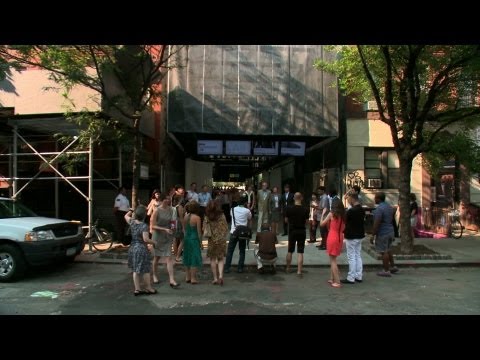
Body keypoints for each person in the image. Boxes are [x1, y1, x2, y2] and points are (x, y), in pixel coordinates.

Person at [150, 192, 180, 288]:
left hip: (167, 236)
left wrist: (172, 228)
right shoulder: (157, 210)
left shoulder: (172, 209)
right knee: (157, 257)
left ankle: (172, 279)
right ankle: (154, 275)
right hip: (158, 236)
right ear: (162, 200)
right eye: (166, 199)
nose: (168, 200)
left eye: (169, 198)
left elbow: (173, 222)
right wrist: (164, 229)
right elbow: (153, 225)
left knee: (169, 257)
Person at [125, 206, 157, 296]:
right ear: (144, 216)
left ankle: (137, 289)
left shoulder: (132, 222)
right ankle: (148, 288)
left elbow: (126, 216)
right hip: (141, 248)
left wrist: (131, 210)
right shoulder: (144, 226)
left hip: (133, 248)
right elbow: (146, 239)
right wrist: (154, 242)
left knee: (136, 269)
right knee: (146, 269)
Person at [370, 192, 399, 277]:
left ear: (379, 199)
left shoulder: (379, 209)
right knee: (389, 249)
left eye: (375, 198)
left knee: (384, 251)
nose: (374, 199)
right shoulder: (389, 207)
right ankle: (393, 266)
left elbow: (377, 222)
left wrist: (373, 234)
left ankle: (386, 270)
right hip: (390, 230)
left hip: (383, 232)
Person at [320, 199, 346, 288]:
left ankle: (337, 281)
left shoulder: (331, 214)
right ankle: (332, 278)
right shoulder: (343, 215)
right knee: (334, 258)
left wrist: (323, 214)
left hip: (332, 236)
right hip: (340, 236)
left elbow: (322, 224)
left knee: (332, 260)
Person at [341, 193, 365, 284]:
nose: (347, 201)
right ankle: (359, 275)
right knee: (358, 255)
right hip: (360, 234)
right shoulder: (361, 209)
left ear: (352, 199)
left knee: (351, 257)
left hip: (351, 235)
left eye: (348, 199)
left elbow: (345, 221)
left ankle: (351, 277)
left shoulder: (351, 211)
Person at [225, 195, 252, 273]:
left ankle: (227, 268)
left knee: (230, 251)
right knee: (242, 251)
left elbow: (231, 217)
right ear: (245, 203)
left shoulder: (232, 209)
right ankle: (240, 268)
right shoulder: (247, 211)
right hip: (243, 233)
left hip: (234, 232)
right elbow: (250, 218)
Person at [204, 200, 228, 285]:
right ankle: (221, 276)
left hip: (212, 240)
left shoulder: (207, 216)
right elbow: (226, 227)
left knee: (212, 259)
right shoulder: (221, 215)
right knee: (221, 258)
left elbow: (205, 228)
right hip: (221, 239)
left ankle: (215, 278)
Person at [285, 192, 309, 275]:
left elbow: (286, 220)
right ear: (301, 198)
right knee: (300, 251)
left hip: (292, 231)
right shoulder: (305, 209)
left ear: (294, 198)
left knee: (290, 250)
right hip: (302, 231)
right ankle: (299, 271)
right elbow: (306, 221)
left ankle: (288, 268)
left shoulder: (289, 208)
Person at [182, 201, 203, 284]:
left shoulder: (186, 216)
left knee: (187, 257)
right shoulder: (197, 218)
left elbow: (184, 229)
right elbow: (199, 232)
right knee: (194, 257)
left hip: (187, 238)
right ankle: (193, 278)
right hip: (194, 239)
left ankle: (188, 277)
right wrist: (200, 242)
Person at [317, 186, 329, 250]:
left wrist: (315, 207)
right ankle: (323, 243)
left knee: (324, 231)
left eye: (319, 191)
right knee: (322, 232)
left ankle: (325, 245)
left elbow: (324, 208)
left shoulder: (324, 198)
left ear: (323, 191)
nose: (318, 192)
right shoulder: (322, 197)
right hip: (321, 216)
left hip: (323, 216)